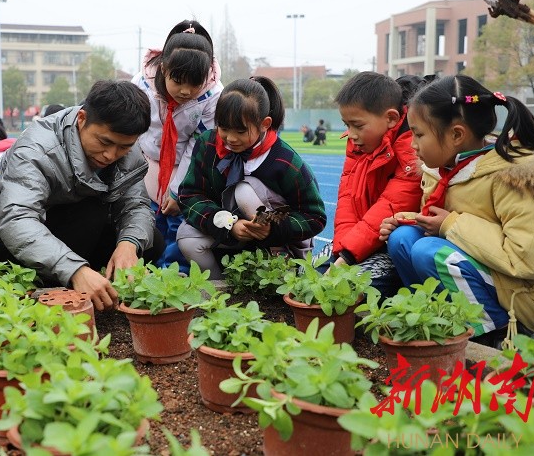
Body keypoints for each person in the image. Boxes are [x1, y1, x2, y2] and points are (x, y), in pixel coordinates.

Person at [380, 75, 534, 344]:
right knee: (402, 239)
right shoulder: (444, 169)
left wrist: (450, 225)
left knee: (428, 251)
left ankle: (493, 337)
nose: (412, 144)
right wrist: (408, 220)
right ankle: (435, 318)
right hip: (484, 270)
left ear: (457, 134)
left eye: (419, 134)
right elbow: (444, 225)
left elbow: (528, 260)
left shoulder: (513, 176)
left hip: (522, 295)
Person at [0, 80, 163, 311]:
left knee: (150, 241)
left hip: (74, 230)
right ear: (82, 119)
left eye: (124, 146)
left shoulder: (127, 149)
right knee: (91, 212)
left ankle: (91, 282)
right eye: (104, 142)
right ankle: (65, 284)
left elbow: (135, 206)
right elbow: (17, 220)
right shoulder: (37, 149)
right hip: (9, 242)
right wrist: (75, 269)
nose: (111, 155)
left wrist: (128, 245)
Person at [176, 77, 326, 280]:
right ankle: (218, 288)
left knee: (244, 190)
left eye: (240, 131)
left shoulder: (285, 160)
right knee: (186, 237)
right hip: (232, 230)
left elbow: (315, 217)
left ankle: (284, 266)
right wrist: (229, 225)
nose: (230, 139)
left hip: (277, 237)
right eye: (224, 128)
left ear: (265, 124)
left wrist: (272, 229)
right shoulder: (207, 145)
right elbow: (190, 195)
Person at [132, 19, 223, 272]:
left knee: (177, 217)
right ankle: (145, 271)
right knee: (148, 217)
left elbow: (198, 145)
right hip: (146, 159)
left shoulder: (213, 96)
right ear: (163, 68)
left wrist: (175, 191)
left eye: (194, 83)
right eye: (178, 80)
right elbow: (131, 127)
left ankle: (174, 274)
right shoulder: (141, 84)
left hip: (185, 164)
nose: (185, 91)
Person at [324, 73, 424, 297]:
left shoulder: (412, 146)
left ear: (390, 118)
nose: (351, 134)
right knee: (310, 273)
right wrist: (342, 250)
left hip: (387, 243)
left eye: (357, 125)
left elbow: (393, 202)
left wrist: (348, 256)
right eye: (346, 125)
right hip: (362, 241)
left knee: (352, 289)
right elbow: (347, 200)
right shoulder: (358, 143)